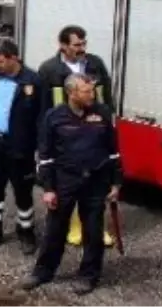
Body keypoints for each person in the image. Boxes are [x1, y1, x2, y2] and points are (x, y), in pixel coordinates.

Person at [22, 74, 122, 295]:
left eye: (92, 90)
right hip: (64, 181)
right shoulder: (54, 117)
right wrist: (48, 188)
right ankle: (43, 272)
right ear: (71, 93)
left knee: (93, 232)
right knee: (55, 229)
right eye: (86, 91)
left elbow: (113, 151)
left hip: (96, 182)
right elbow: (45, 155)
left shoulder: (102, 113)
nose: (92, 95)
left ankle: (88, 276)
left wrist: (116, 183)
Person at [36, 24, 115, 248]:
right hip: (64, 135)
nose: (82, 48)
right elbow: (43, 109)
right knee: (69, 182)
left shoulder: (95, 63)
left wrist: (109, 120)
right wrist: (43, 139)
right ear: (62, 45)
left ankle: (98, 229)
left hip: (93, 130)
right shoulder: (49, 70)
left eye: (84, 43)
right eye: (77, 44)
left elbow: (106, 96)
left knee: (97, 183)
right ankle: (74, 227)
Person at [0, 38, 45, 255]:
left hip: (19, 149)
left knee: (23, 195)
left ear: (14, 58)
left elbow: (42, 118)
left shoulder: (33, 81)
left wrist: (40, 149)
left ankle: (26, 233)